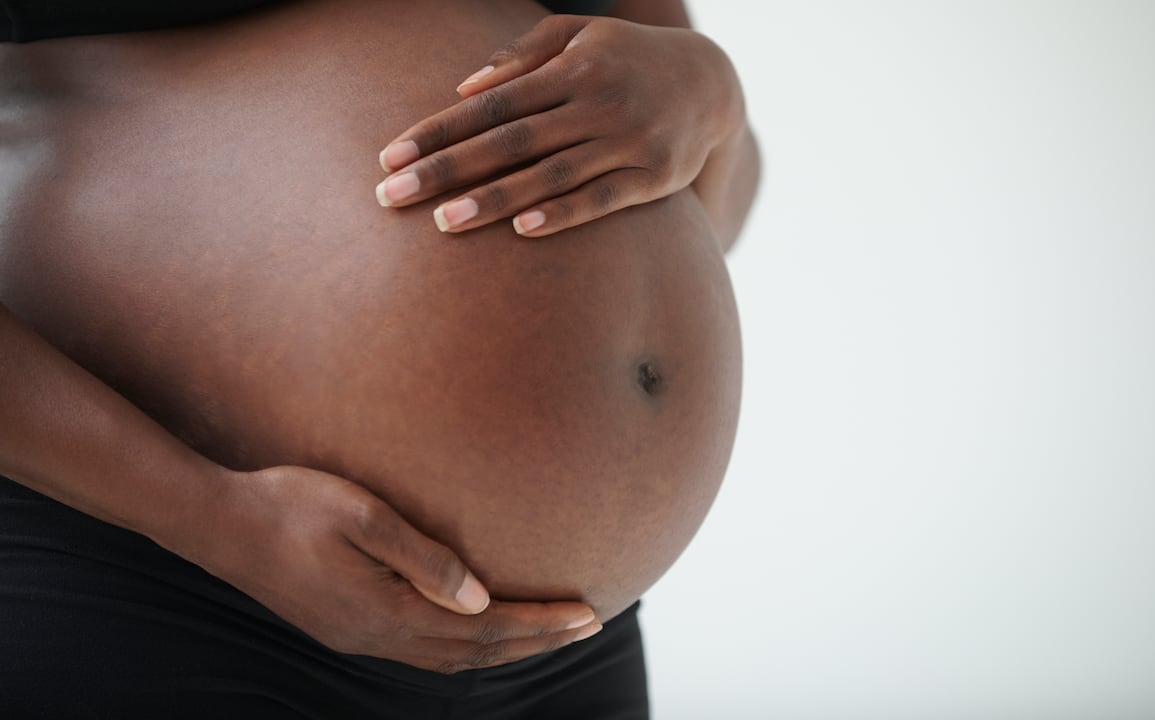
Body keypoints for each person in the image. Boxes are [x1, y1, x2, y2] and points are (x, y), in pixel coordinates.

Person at [0, 0, 759, 716]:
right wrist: (213, 518)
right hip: (163, 577)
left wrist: (715, 100)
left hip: (569, 645)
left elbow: (712, 203)